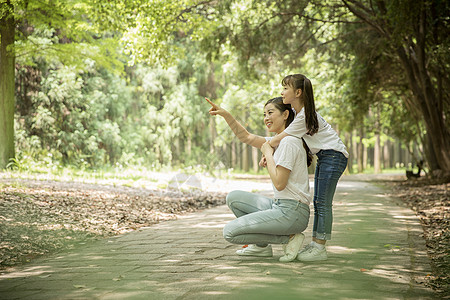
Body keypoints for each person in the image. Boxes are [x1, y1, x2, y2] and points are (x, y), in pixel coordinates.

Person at [206, 96, 312, 262]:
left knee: (230, 232)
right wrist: (225, 114)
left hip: (292, 213)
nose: (266, 118)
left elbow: (279, 183)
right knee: (234, 198)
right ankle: (261, 247)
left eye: (270, 112)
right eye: (264, 114)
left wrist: (269, 156)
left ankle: (289, 238)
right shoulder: (278, 141)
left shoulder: (289, 142)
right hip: (280, 206)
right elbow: (246, 137)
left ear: (285, 115)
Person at [265, 74, 348, 262]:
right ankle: (316, 244)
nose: (282, 92)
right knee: (320, 202)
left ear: (298, 92)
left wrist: (267, 151)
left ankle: (319, 247)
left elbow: (279, 138)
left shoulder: (302, 117)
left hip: (333, 155)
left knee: (322, 203)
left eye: (285, 88)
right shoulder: (299, 115)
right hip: (327, 156)